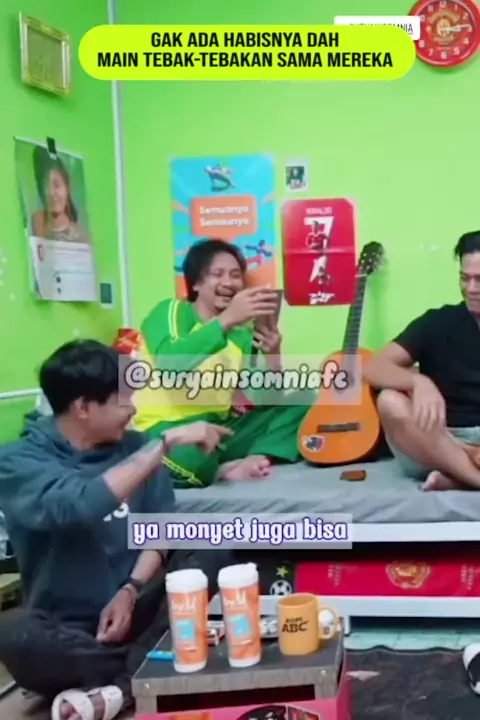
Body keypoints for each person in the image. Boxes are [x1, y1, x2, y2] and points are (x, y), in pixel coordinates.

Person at [0, 340, 232, 720]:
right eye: (124, 400)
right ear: (84, 407)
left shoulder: (137, 446)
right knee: (13, 633)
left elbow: (159, 530)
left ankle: (120, 684)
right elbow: (79, 506)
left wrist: (131, 590)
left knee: (209, 542)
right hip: (70, 631)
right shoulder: (17, 462)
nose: (133, 410)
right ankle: (147, 665)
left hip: (138, 607)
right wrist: (164, 446)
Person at [132, 238, 310, 487]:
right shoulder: (171, 311)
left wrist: (273, 358)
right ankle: (221, 469)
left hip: (218, 430)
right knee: (189, 459)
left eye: (235, 275)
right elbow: (169, 367)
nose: (228, 282)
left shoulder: (241, 336)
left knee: (306, 401)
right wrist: (226, 320)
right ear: (196, 283)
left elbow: (265, 401)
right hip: (168, 430)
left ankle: (257, 456)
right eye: (217, 274)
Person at [362, 230, 480, 491]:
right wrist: (418, 382)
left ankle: (456, 478)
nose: (471, 289)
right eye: (465, 278)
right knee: (389, 401)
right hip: (435, 440)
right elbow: (371, 367)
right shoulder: (438, 322)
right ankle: (473, 475)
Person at [31, 145, 88, 243]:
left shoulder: (80, 237)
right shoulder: (37, 221)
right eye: (46, 186)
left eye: (56, 185)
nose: (52, 192)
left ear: (67, 188)